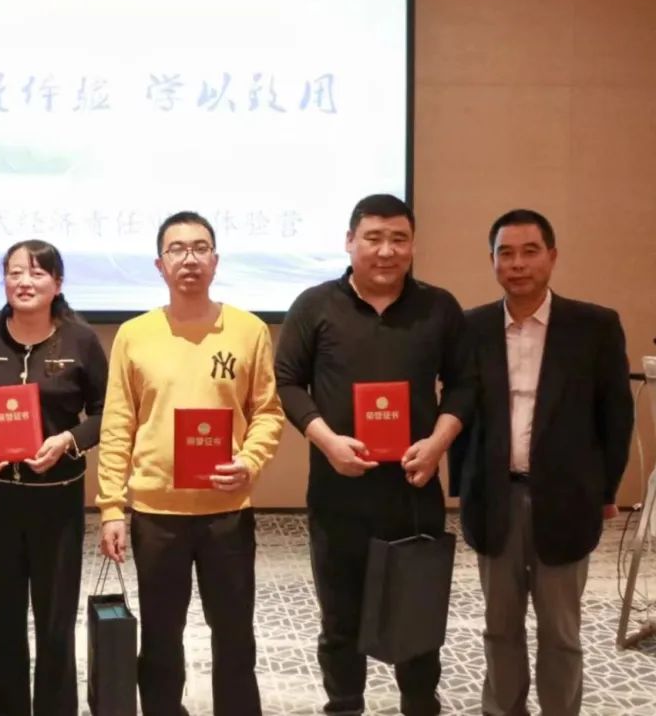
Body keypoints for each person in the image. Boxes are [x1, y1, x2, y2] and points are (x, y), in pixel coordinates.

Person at [274, 194, 474, 716]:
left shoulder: (439, 307)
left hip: (412, 489)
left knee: (418, 612)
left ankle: (419, 705)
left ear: (413, 245)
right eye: (374, 238)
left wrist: (438, 444)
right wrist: (327, 441)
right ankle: (344, 705)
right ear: (349, 241)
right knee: (339, 618)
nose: (387, 251)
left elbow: (464, 384)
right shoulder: (314, 305)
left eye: (399, 239)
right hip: (337, 492)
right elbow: (288, 382)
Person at [97, 211, 284, 716]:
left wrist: (250, 461)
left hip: (227, 512)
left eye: (200, 248)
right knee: (160, 638)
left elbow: (268, 412)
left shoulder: (248, 330)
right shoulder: (134, 334)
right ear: (160, 264)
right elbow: (117, 425)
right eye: (177, 249)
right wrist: (112, 507)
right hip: (157, 516)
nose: (190, 259)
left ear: (216, 261)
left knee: (235, 636)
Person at [449, 209, 633, 716]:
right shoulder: (472, 328)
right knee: (499, 627)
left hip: (567, 500)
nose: (518, 264)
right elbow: (459, 408)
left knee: (561, 631)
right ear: (492, 261)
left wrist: (606, 492)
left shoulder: (594, 326)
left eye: (530, 251)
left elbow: (617, 416)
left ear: (552, 256)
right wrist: (461, 487)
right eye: (505, 253)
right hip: (495, 498)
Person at [0, 239, 107, 716]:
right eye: (14, 272)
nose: (24, 282)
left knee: (56, 621)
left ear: (58, 283)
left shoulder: (80, 341)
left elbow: (107, 412)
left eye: (37, 273)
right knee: (1, 618)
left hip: (57, 500)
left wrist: (68, 441)